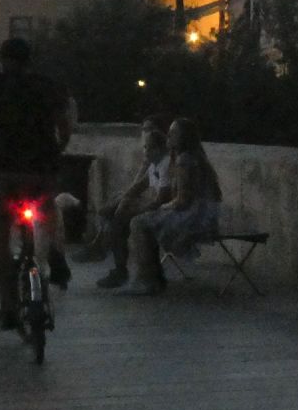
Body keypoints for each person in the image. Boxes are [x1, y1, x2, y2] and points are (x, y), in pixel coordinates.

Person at [0, 37, 72, 330]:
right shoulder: (47, 85)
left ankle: (9, 308)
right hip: (42, 169)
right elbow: (65, 127)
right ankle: (53, 253)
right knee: (46, 209)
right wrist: (57, 148)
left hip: (7, 170)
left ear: (2, 60)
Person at [127, 118, 223, 296]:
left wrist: (163, 208)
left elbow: (183, 201)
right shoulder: (196, 158)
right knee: (145, 222)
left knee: (138, 223)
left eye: (173, 133)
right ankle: (152, 278)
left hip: (195, 217)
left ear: (184, 137)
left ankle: (148, 279)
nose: (168, 136)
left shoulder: (184, 160)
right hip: (205, 214)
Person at [95, 114, 175, 290]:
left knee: (120, 222)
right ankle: (103, 248)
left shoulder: (165, 164)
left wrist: (132, 208)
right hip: (156, 206)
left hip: (164, 209)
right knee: (115, 211)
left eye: (150, 148)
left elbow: (161, 199)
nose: (146, 151)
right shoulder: (155, 164)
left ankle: (113, 261)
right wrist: (124, 201)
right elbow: (138, 186)